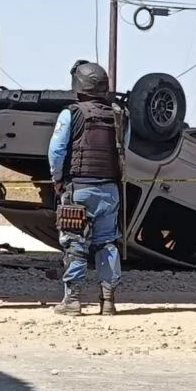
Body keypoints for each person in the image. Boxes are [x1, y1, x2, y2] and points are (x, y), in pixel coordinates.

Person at [47, 60, 128, 317]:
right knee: (107, 244)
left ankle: (72, 301)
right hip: (110, 192)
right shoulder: (118, 114)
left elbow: (57, 150)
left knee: (75, 245)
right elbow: (123, 150)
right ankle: (108, 301)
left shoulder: (71, 113)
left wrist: (57, 178)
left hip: (78, 189)